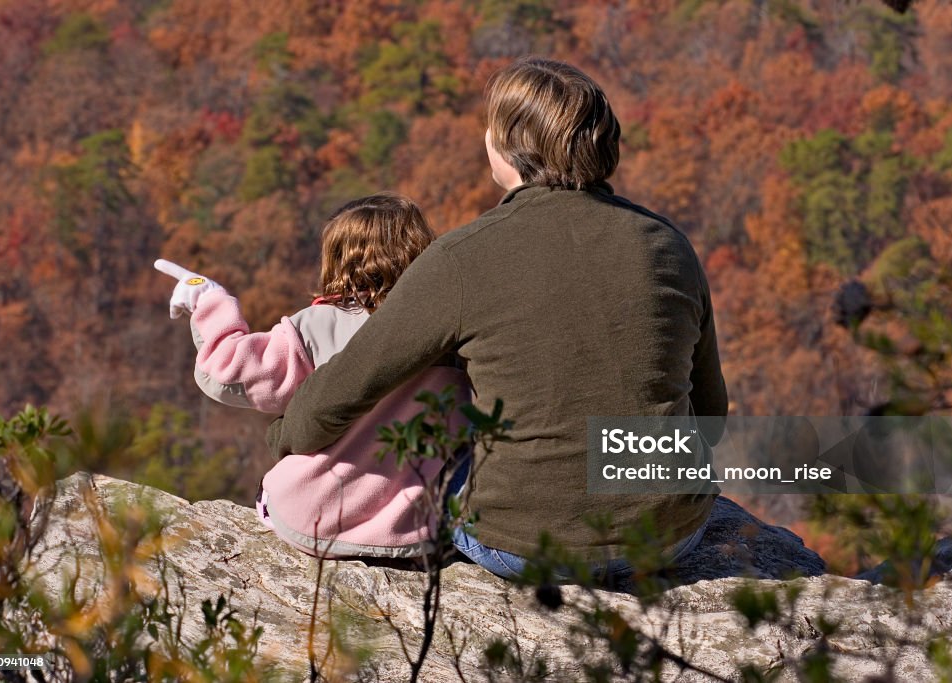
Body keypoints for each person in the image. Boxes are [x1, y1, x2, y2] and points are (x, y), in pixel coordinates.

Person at [267, 57, 728, 580]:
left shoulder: (462, 257)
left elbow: (339, 394)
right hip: (671, 535)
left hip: (521, 546)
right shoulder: (670, 247)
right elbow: (710, 416)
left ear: (506, 146)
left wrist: (282, 438)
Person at [155, 193, 470, 559]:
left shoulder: (319, 325)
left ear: (337, 258)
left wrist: (208, 300)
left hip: (309, 515)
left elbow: (227, 373)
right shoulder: (451, 330)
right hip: (411, 527)